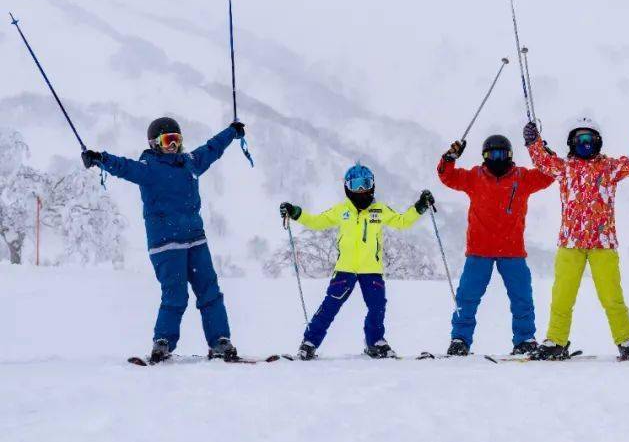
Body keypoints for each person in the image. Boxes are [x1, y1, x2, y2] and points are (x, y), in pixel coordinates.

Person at [81, 117, 246, 363]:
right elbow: (123, 167)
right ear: (154, 143)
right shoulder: (148, 168)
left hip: (195, 241)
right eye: (168, 141)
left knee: (209, 292)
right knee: (175, 295)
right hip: (166, 245)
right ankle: (163, 341)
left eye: (176, 140)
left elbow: (212, 148)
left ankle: (220, 341)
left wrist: (232, 132)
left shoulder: (190, 163)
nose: (173, 146)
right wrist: (99, 158)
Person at [524, 115, 629, 360]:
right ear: (571, 142)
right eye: (579, 138)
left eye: (590, 138)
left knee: (612, 297)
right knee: (562, 297)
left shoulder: (608, 168)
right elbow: (543, 161)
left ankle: (626, 341)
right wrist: (533, 141)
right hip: (570, 243)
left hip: (602, 244)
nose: (585, 143)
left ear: (598, 141)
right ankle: (556, 341)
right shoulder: (565, 168)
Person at [279, 163, 433, 360]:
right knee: (330, 307)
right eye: (356, 185)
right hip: (345, 269)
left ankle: (375, 342)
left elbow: (402, 222)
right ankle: (309, 343)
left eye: (366, 184)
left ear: (373, 185)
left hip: (372, 270)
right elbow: (316, 222)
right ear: (347, 187)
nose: (361, 190)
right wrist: (295, 212)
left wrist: (420, 206)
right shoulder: (341, 210)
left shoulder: (380, 210)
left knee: (377, 307)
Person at [437, 134, 554, 356]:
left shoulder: (522, 177)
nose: (497, 158)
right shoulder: (475, 177)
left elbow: (549, 175)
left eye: (501, 154)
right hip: (479, 251)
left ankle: (525, 340)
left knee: (521, 297)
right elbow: (447, 176)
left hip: (512, 251)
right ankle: (460, 339)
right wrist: (449, 157)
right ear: (484, 156)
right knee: (467, 297)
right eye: (492, 154)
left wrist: (546, 154)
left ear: (510, 155)